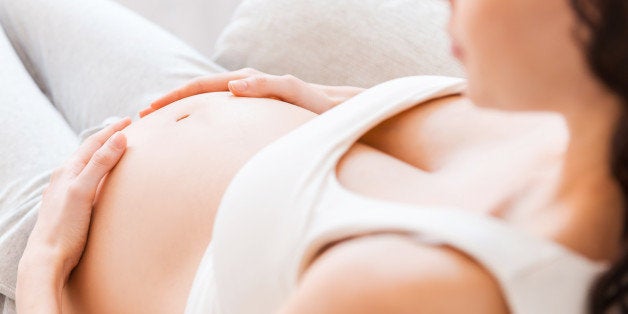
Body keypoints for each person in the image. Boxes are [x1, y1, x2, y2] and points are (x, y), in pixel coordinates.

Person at [2, 0, 626, 314]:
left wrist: (42, 270)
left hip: (61, 230)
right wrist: (336, 103)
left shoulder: (412, 292)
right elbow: (453, 143)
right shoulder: (582, 131)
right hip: (186, 99)